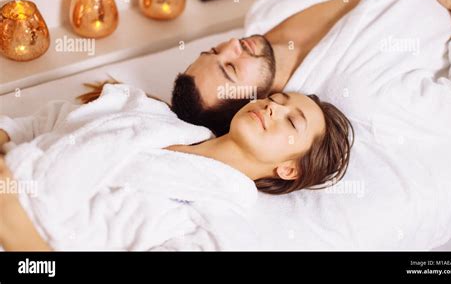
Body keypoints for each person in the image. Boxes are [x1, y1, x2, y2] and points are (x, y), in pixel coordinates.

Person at [0, 87, 353, 250]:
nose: (272, 109)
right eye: (275, 100)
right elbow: (42, 123)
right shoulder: (149, 114)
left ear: (289, 169)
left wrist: (16, 226)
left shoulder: (218, 226)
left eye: (292, 122)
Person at [170, 0, 451, 135]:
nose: (233, 45)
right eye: (233, 68)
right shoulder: (358, 93)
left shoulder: (263, 15)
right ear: (255, 104)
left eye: (214, 51)